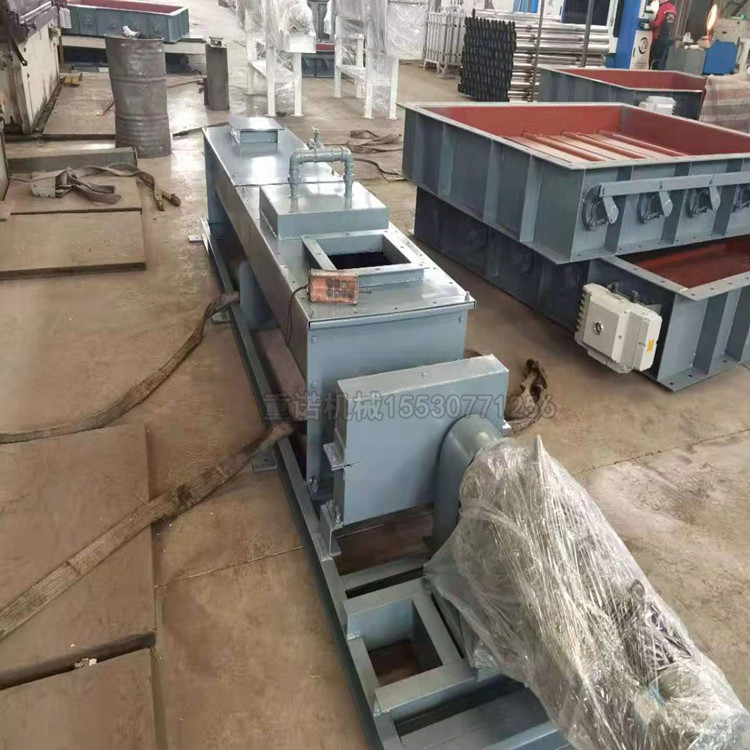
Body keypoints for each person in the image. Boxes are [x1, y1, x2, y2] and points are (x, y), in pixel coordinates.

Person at [649, 0, 677, 69]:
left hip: (658, 38)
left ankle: (651, 74)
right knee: (659, 60)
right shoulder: (673, 8)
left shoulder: (663, 7)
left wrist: (650, 22)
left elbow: (656, 23)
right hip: (666, 37)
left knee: (652, 60)